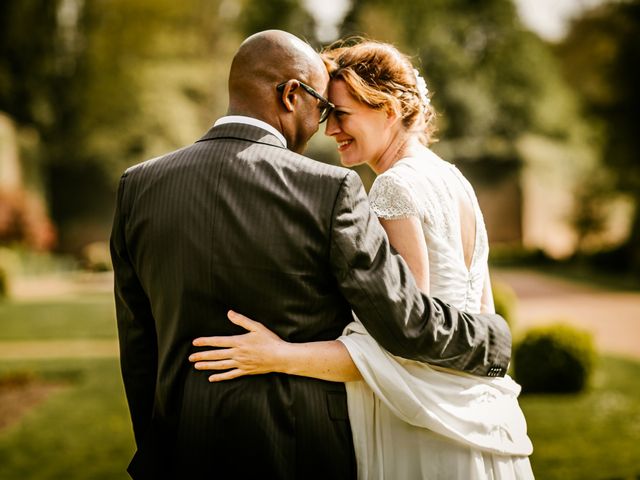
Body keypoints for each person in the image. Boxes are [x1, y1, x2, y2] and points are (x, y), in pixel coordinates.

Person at [111, 30, 512, 479]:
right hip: (303, 448)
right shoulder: (329, 190)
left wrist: (155, 445)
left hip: (180, 447)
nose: (325, 126)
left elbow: (137, 342)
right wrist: (494, 341)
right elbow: (406, 321)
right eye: (323, 108)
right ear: (289, 95)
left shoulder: (137, 187)